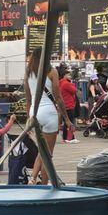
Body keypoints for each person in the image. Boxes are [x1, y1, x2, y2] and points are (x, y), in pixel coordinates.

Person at [24, 47, 73, 184]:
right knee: (47, 154)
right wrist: (66, 119)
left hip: (34, 113)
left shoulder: (28, 73)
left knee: (41, 150)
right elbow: (58, 97)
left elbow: (28, 98)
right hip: (49, 113)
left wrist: (30, 117)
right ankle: (44, 186)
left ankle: (33, 178)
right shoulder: (52, 72)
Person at [59, 70, 79, 144]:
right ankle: (70, 138)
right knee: (69, 122)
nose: (70, 76)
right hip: (69, 105)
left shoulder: (60, 83)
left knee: (66, 122)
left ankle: (66, 137)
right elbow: (75, 90)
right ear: (64, 75)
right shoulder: (66, 83)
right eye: (69, 75)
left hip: (64, 105)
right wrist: (72, 84)